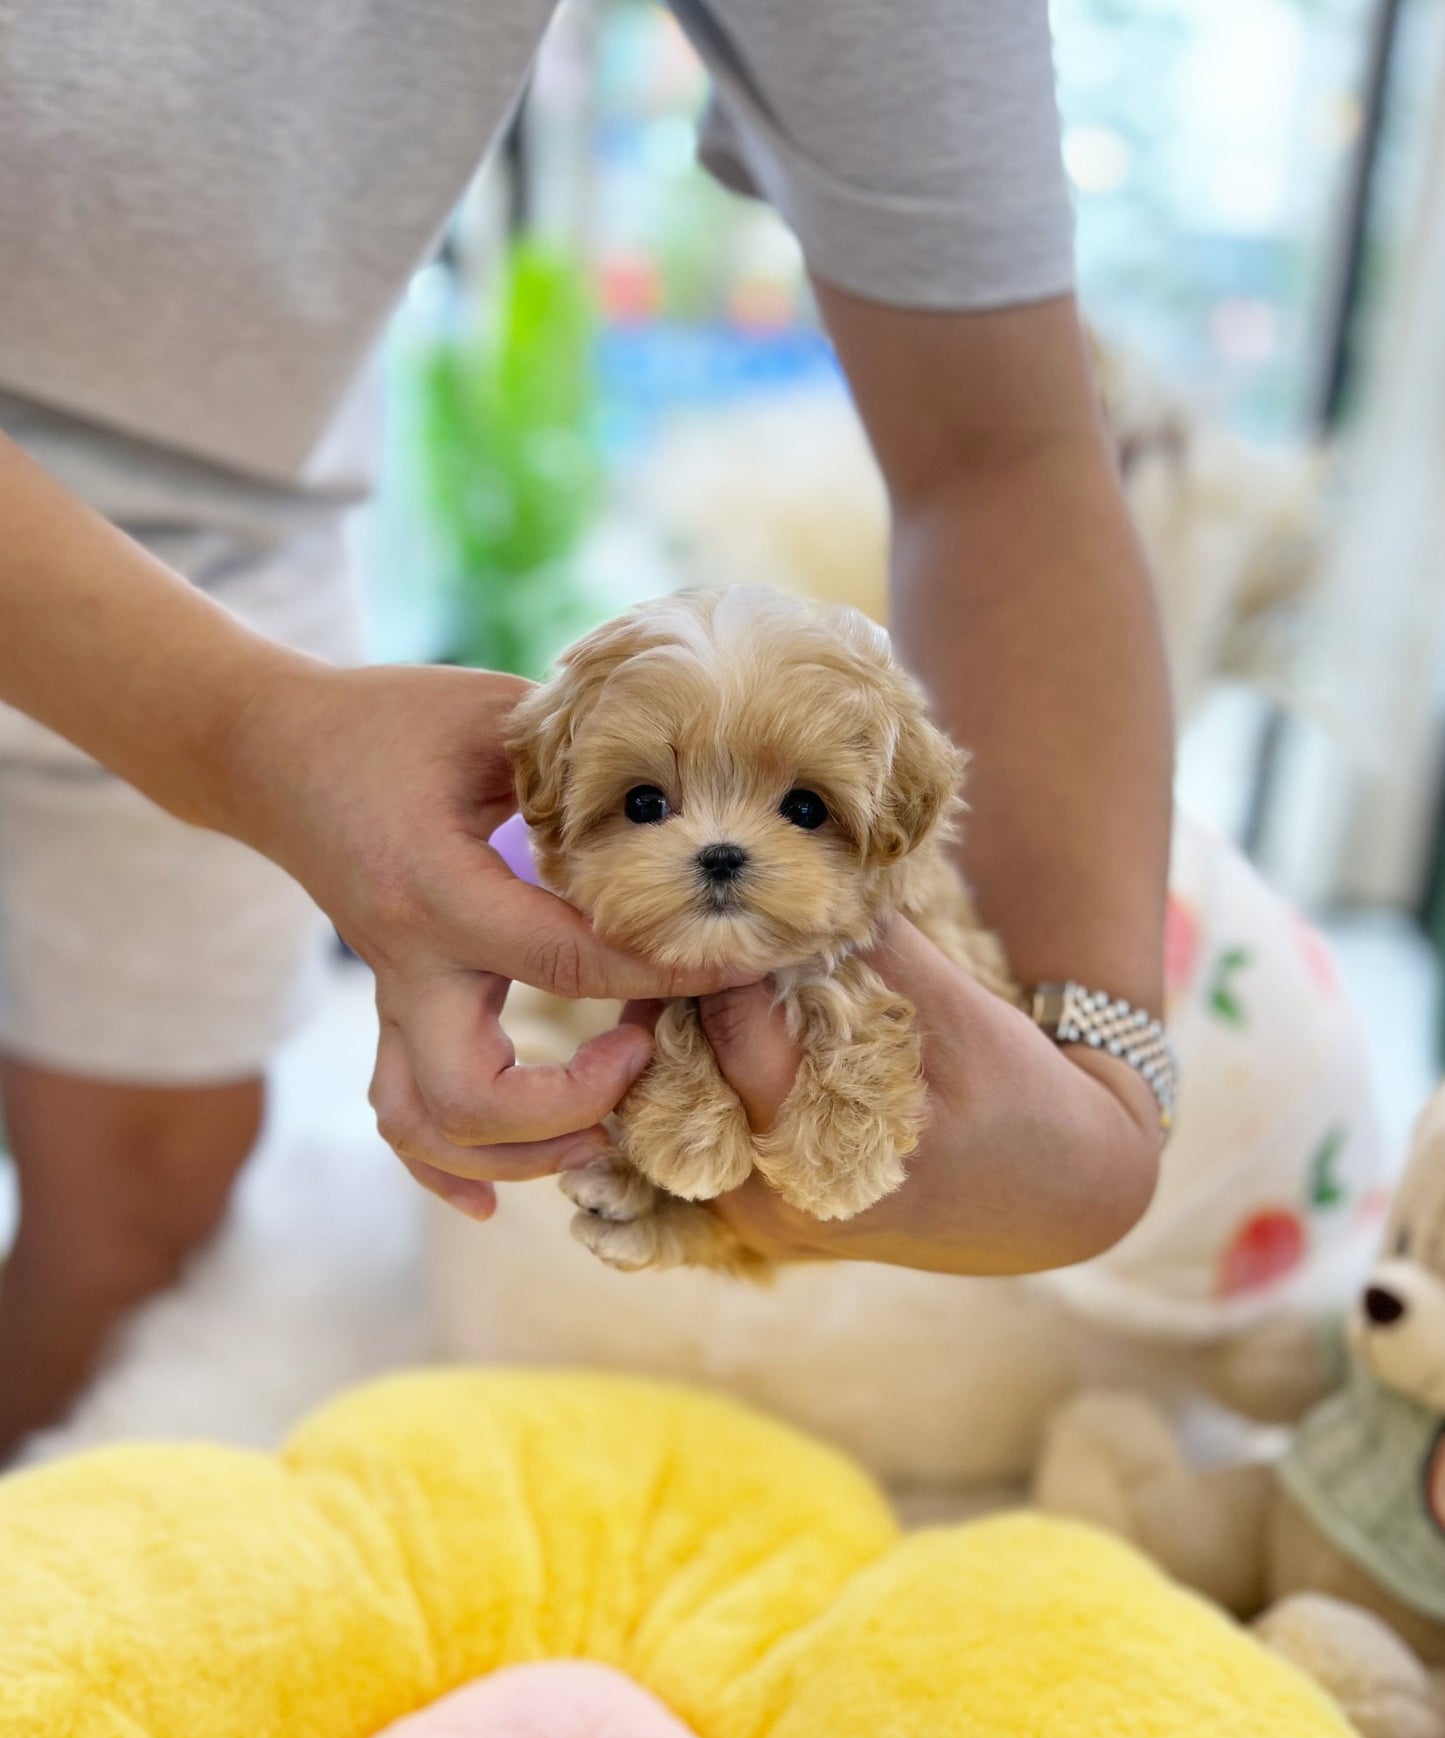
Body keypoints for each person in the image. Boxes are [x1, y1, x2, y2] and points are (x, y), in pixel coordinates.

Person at [0, 0, 1171, 1457]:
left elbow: (1001, 453)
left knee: (139, 1211)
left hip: (229, 517)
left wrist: (1105, 1091)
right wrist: (241, 730)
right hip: (204, 623)